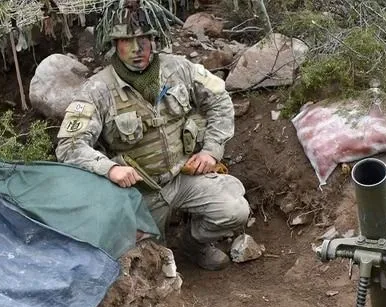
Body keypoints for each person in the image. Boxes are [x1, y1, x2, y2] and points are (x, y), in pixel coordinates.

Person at [54, 0, 250, 271]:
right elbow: (69, 146)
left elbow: (219, 99)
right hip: (139, 194)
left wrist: (211, 150)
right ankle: (159, 250)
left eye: (144, 39)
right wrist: (109, 169)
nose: (137, 49)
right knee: (147, 263)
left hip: (183, 177)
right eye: (127, 40)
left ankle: (193, 245)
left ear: (155, 39)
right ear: (114, 43)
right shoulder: (97, 91)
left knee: (234, 211)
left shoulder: (178, 69)